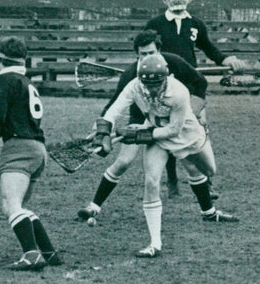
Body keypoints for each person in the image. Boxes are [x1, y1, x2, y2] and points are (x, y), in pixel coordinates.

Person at [94, 53, 238, 258]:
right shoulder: (135, 86)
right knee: (151, 182)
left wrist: (140, 134)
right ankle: (155, 243)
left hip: (187, 134)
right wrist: (103, 131)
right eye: (147, 85)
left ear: (166, 78)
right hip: (157, 136)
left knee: (209, 170)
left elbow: (173, 130)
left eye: (156, 85)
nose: (151, 90)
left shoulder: (178, 92)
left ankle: (208, 210)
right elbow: (114, 109)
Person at [77, 29, 209, 221]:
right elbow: (115, 104)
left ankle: (209, 212)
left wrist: (195, 111)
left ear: (159, 51)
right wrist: (101, 128)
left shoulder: (173, 62)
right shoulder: (131, 75)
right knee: (123, 162)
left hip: (175, 119)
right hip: (140, 120)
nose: (148, 57)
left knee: (192, 166)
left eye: (151, 52)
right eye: (143, 54)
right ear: (137, 54)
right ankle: (93, 206)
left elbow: (200, 82)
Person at [145, 0, 244, 196]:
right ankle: (172, 180)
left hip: (190, 82)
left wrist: (225, 59)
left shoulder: (196, 24)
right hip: (165, 84)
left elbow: (208, 47)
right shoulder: (156, 23)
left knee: (198, 128)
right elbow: (146, 50)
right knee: (169, 130)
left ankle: (205, 181)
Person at [0, 36, 61, 271]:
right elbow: (13, 115)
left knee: (11, 204)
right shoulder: (25, 82)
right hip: (37, 150)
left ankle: (31, 254)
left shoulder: (2, 79)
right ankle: (48, 252)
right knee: (19, 206)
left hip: (18, 149)